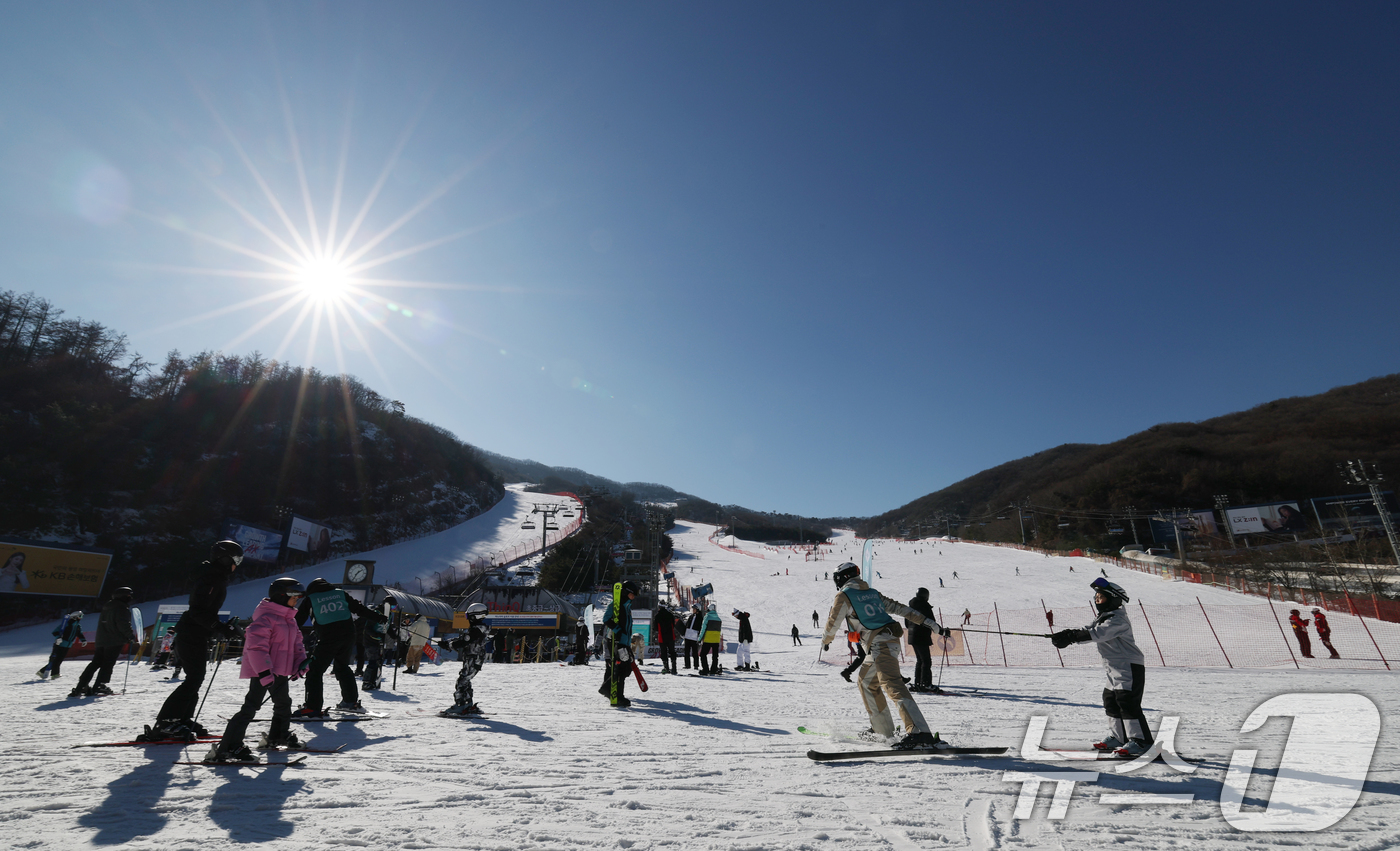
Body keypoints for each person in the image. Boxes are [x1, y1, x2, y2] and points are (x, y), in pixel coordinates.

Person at [822, 562, 948, 750]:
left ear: (842, 578)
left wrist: (826, 640)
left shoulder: (844, 596)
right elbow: (902, 609)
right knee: (866, 682)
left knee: (891, 683)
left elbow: (833, 621)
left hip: (881, 645)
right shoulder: (873, 594)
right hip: (883, 644)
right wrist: (931, 624)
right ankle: (882, 730)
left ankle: (920, 733)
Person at [146, 540, 244, 739]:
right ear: (224, 559)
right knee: (193, 679)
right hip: (191, 634)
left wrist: (222, 627)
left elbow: (204, 611)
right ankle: (166, 722)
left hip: (196, 633)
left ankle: (182, 718)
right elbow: (198, 611)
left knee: (195, 678)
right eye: (236, 560)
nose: (237, 565)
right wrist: (221, 627)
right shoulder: (211, 578)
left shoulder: (215, 577)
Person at [206, 578, 309, 763]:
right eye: (295, 598)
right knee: (251, 707)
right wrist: (263, 672)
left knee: (284, 703)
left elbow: (297, 645)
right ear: (281, 597)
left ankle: (278, 736)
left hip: (278, 672)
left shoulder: (289, 620)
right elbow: (256, 648)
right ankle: (229, 747)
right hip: (262, 672)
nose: (297, 602)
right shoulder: (265, 618)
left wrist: (300, 664)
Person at [1050, 578, 1154, 758]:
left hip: (1128, 665)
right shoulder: (1103, 617)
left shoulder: (1118, 620)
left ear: (1113, 598)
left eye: (1101, 597)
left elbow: (1097, 634)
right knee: (1111, 700)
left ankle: (1141, 742)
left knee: (1127, 702)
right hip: (1114, 666)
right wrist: (1067, 634)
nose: (1097, 600)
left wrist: (1073, 637)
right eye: (1096, 597)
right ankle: (1119, 737)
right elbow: (1088, 628)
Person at [293, 578, 387, 717]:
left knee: (315, 671)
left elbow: (297, 621)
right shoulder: (340, 593)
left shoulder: (310, 599)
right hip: (349, 635)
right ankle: (350, 702)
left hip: (328, 637)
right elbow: (359, 609)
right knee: (342, 667)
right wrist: (379, 618)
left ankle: (312, 707)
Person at [70, 587, 135, 698]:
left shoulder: (108, 606)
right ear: (123, 597)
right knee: (108, 664)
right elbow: (123, 624)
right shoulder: (121, 608)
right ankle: (100, 685)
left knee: (96, 662)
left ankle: (81, 685)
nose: (130, 598)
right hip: (114, 640)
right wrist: (130, 636)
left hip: (101, 639)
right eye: (129, 595)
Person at [440, 604, 491, 716]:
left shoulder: (476, 630)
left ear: (475, 616)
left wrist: (449, 645)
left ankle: (460, 705)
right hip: (473, 658)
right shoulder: (477, 629)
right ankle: (467, 704)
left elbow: (464, 641)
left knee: (462, 682)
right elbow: (463, 639)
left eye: (469, 617)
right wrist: (447, 643)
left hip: (474, 658)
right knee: (465, 680)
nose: (468, 619)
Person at [599, 581, 639, 707]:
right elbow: (606, 619)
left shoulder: (627, 607)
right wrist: (618, 630)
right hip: (616, 641)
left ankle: (607, 688)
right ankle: (617, 696)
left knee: (625, 669)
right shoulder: (615, 605)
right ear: (627, 592)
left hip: (624, 642)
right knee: (621, 668)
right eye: (633, 594)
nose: (634, 597)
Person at [39, 610, 87, 679]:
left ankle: (48, 673)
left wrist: (83, 640)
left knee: (59, 659)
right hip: (60, 644)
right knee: (56, 659)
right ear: (74, 617)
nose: (81, 618)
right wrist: (58, 638)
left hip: (68, 645)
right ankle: (51, 673)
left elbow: (80, 634)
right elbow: (55, 632)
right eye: (80, 616)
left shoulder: (78, 626)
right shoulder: (66, 624)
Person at [905, 588, 934, 692]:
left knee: (920, 660)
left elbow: (906, 623)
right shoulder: (925, 606)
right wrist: (941, 630)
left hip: (913, 636)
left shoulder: (911, 607)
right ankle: (925, 684)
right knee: (926, 661)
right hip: (922, 636)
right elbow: (931, 622)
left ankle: (919, 682)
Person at [361, 620, 388, 690]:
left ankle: (372, 681)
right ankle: (366, 682)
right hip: (370, 642)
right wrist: (377, 635)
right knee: (372, 662)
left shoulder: (388, 615)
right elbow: (367, 629)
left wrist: (394, 636)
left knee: (377, 662)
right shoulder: (375, 615)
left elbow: (387, 627)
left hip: (378, 643)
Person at [698, 604, 723, 674]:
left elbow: (703, 629)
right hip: (716, 640)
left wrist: (699, 638)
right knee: (715, 656)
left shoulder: (707, 617)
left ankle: (705, 669)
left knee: (703, 654)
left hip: (708, 639)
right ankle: (713, 669)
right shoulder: (719, 619)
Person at [654, 606, 677, 674]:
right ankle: (674, 668)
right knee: (672, 652)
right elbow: (673, 624)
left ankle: (666, 667)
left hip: (662, 637)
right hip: (671, 636)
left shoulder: (657, 616)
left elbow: (655, 628)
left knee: (664, 653)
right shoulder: (670, 614)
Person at [683, 604, 703, 670]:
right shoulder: (691, 616)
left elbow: (701, 628)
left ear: (697, 609)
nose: (693, 610)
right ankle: (687, 665)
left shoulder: (700, 617)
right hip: (688, 636)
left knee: (695, 652)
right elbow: (687, 625)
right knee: (686, 651)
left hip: (694, 637)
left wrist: (700, 637)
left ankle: (696, 665)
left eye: (694, 609)